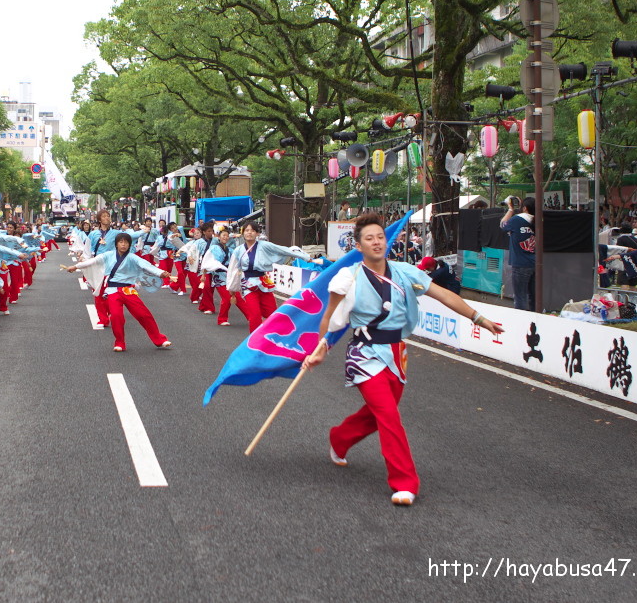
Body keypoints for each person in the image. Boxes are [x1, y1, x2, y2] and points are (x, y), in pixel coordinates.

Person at [303, 213, 503, 507]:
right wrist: (321, 347)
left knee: (377, 413)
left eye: (380, 237)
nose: (376, 242)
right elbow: (330, 316)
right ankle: (404, 482)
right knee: (388, 416)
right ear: (358, 245)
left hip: (397, 354)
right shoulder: (349, 277)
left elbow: (444, 295)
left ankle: (339, 438)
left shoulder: (406, 272)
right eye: (369, 238)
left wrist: (478, 317)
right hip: (364, 354)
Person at [62, 233, 175, 352]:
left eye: (126, 242)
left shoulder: (132, 257)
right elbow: (92, 261)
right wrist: (76, 266)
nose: (123, 244)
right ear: (116, 244)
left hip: (128, 290)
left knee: (143, 314)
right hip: (113, 290)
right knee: (116, 317)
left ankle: (159, 339)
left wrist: (160, 273)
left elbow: (146, 265)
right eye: (121, 242)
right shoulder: (108, 255)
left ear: (129, 245)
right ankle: (119, 342)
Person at [226, 223, 319, 332]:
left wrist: (307, 258)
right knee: (254, 315)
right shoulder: (238, 250)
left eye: (252, 230)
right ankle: (255, 342)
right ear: (243, 233)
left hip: (263, 282)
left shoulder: (264, 245)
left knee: (272, 313)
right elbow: (232, 269)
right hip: (248, 285)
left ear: (257, 233)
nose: (249, 232)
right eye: (246, 230)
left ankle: (275, 337)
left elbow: (283, 250)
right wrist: (231, 288)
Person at [500, 196, 537, 311]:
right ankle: (535, 320)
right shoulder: (538, 220)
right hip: (535, 264)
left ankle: (522, 322)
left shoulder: (517, 219)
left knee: (520, 297)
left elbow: (502, 225)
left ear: (524, 208)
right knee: (533, 296)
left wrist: (511, 209)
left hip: (520, 264)